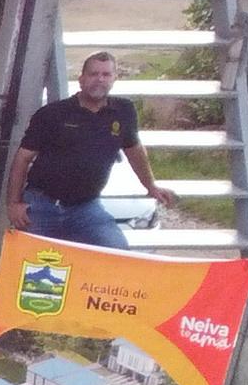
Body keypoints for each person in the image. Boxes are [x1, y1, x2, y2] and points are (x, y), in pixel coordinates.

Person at [9, 51, 166, 247]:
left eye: (106, 74)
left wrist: (150, 185)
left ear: (114, 78)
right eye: (93, 74)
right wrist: (14, 203)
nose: (99, 80)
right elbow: (22, 158)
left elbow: (134, 151)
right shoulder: (52, 113)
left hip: (85, 208)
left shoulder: (124, 111)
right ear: (81, 79)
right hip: (42, 206)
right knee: (35, 269)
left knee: (117, 251)